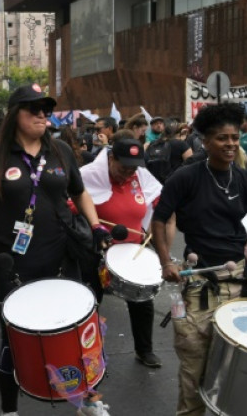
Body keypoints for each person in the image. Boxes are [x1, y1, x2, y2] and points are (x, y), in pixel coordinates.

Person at [0, 84, 108, 416]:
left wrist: (96, 225)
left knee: (76, 328)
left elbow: (80, 192)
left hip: (61, 257)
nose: (42, 114)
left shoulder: (60, 152)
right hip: (11, 264)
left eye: (46, 109)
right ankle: (9, 411)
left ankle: (88, 398)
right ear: (15, 115)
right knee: (15, 340)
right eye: (33, 109)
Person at [151, 102, 247, 416]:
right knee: (194, 362)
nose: (231, 144)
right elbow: (159, 217)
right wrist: (166, 261)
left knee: (240, 365)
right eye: (222, 138)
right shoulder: (186, 177)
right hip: (200, 284)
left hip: (240, 282)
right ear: (205, 141)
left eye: (234, 137)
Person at [80, 138, 164, 368]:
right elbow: (73, 202)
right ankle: (88, 352)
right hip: (97, 251)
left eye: (133, 168)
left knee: (142, 301)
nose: (128, 173)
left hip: (132, 251)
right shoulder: (89, 176)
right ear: (110, 158)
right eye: (123, 167)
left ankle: (144, 350)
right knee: (90, 303)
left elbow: (158, 199)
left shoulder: (140, 177)